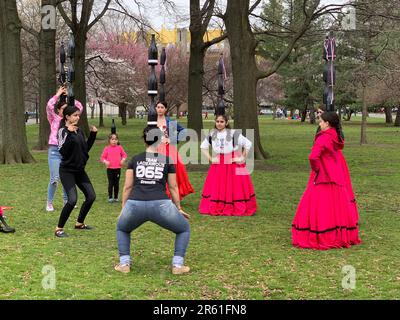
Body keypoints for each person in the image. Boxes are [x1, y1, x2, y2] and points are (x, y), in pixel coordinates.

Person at [115, 126, 191, 275]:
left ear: (144, 139)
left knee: (122, 228)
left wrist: (123, 208)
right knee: (184, 229)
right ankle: (177, 265)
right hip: (161, 205)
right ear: (160, 140)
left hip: (135, 204)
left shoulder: (135, 159)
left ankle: (124, 264)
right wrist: (178, 208)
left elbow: (127, 187)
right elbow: (174, 187)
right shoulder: (167, 160)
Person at [291, 112, 361, 249]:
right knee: (335, 207)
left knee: (320, 206)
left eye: (321, 121)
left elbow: (313, 157)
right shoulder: (335, 135)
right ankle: (338, 234)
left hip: (323, 176)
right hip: (336, 175)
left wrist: (316, 169)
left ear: (327, 123)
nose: (319, 123)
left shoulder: (323, 138)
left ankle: (323, 235)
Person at [199, 114, 257, 216]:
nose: (219, 124)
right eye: (217, 121)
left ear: (226, 123)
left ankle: (234, 206)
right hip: (219, 163)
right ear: (215, 122)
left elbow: (248, 144)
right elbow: (203, 147)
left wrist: (241, 157)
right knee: (218, 184)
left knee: (235, 185)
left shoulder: (233, 134)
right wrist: (210, 158)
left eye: (222, 122)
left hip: (232, 162)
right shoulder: (212, 134)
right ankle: (219, 205)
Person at [54, 105, 97, 238]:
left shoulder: (79, 131)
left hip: (79, 171)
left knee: (91, 196)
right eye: (75, 115)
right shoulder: (63, 131)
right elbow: (63, 150)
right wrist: (70, 134)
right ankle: (58, 229)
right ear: (67, 117)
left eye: (78, 115)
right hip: (67, 171)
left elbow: (85, 149)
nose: (78, 117)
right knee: (72, 200)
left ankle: (79, 223)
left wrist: (93, 135)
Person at [46, 86, 83, 212]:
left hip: (67, 151)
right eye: (63, 108)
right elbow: (49, 106)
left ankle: (67, 201)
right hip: (55, 151)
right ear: (58, 110)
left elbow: (80, 108)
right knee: (54, 179)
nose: (65, 110)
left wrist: (70, 97)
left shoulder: (70, 120)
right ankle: (49, 203)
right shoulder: (54, 119)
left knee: (66, 177)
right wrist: (58, 94)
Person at [155, 101, 194, 200]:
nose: (159, 109)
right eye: (158, 107)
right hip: (156, 149)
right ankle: (159, 193)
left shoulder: (170, 121)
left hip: (169, 149)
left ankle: (171, 194)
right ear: (155, 108)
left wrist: (172, 139)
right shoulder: (152, 121)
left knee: (171, 171)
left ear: (166, 109)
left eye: (162, 107)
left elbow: (184, 131)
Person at [100, 133, 127, 203]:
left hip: (118, 169)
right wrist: (106, 162)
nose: (114, 141)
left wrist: (122, 160)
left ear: (117, 140)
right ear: (109, 140)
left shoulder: (119, 148)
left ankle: (116, 197)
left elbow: (124, 155)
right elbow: (102, 158)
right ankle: (110, 197)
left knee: (116, 183)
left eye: (115, 139)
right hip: (110, 169)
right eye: (112, 139)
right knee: (111, 183)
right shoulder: (107, 148)